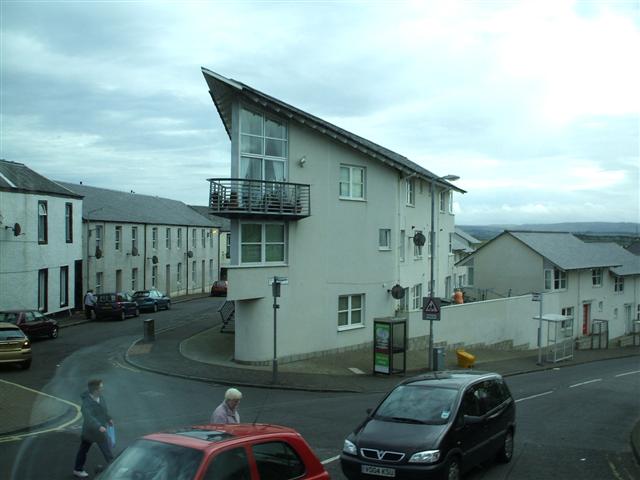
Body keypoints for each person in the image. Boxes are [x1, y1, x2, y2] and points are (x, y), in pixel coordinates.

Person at [73, 379, 114, 478]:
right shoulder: (86, 403)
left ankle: (114, 468)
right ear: (95, 390)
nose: (103, 389)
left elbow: (103, 411)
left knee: (106, 450)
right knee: (84, 450)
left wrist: (109, 419)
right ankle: (78, 470)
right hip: (90, 432)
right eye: (101, 387)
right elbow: (89, 417)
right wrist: (99, 426)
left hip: (100, 431)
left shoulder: (101, 398)